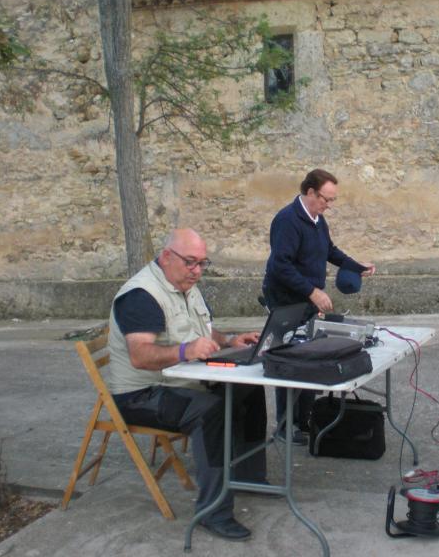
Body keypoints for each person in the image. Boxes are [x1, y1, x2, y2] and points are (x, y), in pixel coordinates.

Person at [107, 228, 266, 542]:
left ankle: (249, 477)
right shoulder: (141, 295)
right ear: (167, 256)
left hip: (182, 380)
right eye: (190, 262)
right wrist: (185, 350)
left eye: (202, 263)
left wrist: (229, 340)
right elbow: (140, 356)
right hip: (141, 395)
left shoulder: (184, 284)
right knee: (210, 412)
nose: (197, 271)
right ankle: (213, 512)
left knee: (250, 387)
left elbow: (202, 329)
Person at [262, 168, 375, 445]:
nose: (329, 205)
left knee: (310, 360)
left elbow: (330, 251)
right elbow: (280, 266)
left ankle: (305, 421)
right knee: (288, 363)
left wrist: (356, 267)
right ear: (310, 192)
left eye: (332, 200)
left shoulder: (318, 220)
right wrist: (312, 291)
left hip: (307, 301)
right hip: (286, 301)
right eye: (326, 199)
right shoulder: (287, 220)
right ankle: (285, 427)